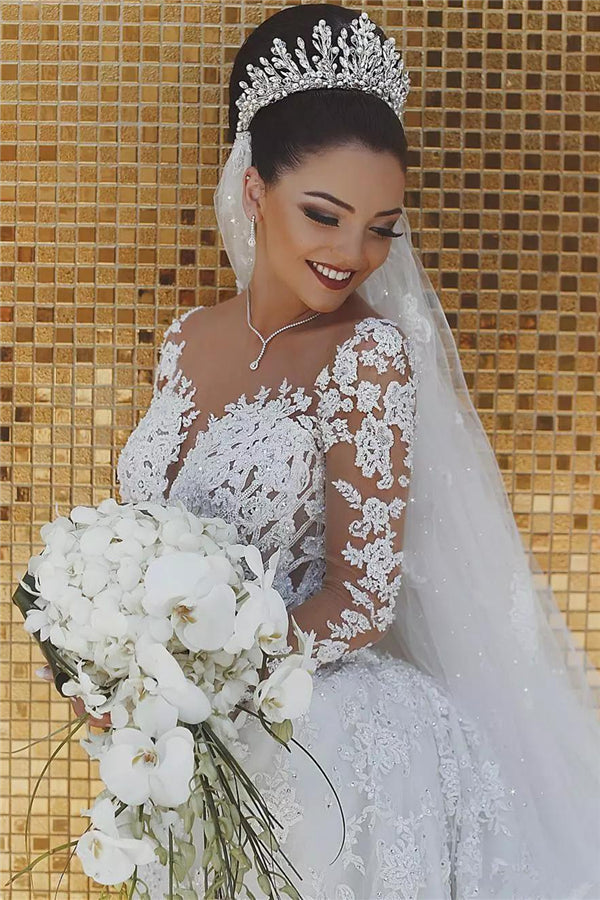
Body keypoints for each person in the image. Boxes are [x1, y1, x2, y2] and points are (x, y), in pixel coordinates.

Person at [48, 5, 600, 897]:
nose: (354, 254)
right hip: (190, 749)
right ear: (254, 188)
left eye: (381, 226)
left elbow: (363, 596)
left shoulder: (368, 356)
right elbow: (141, 539)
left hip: (326, 746)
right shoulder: (186, 340)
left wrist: (208, 675)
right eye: (324, 214)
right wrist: (110, 658)